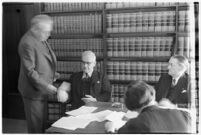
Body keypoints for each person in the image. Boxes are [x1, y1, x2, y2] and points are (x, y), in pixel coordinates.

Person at [18, 14, 60, 133]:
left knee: (41, 124)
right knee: (35, 127)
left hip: (41, 90)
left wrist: (52, 74)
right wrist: (46, 86)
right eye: (46, 32)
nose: (49, 35)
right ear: (35, 29)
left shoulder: (40, 36)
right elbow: (30, 72)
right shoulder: (27, 43)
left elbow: (43, 59)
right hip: (33, 92)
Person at [105, 80, 191, 133]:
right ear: (152, 94)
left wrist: (110, 130)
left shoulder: (134, 124)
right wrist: (173, 108)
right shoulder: (184, 115)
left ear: (130, 106)